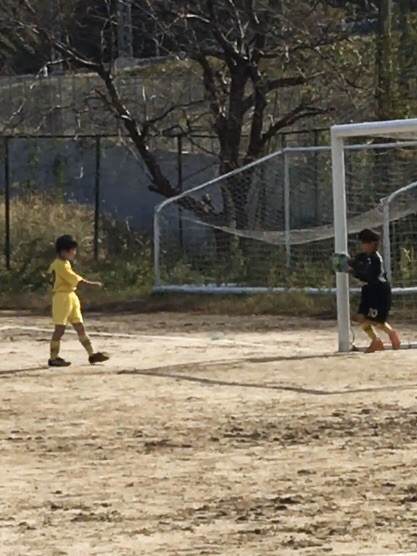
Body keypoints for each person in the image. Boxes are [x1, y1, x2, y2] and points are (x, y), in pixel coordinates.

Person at [47, 235, 110, 367]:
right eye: (72, 250)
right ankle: (53, 357)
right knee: (60, 328)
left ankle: (92, 354)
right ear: (64, 251)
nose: (74, 253)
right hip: (62, 297)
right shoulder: (59, 265)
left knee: (79, 326)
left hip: (70, 296)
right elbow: (75, 279)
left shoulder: (64, 263)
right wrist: (92, 284)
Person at [348, 228, 401, 353]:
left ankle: (391, 333)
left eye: (363, 243)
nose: (361, 245)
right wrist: (344, 262)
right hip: (368, 289)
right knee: (361, 317)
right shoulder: (363, 256)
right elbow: (354, 264)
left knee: (376, 320)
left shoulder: (376, 259)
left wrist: (353, 272)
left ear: (372, 244)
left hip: (379, 290)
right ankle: (376, 341)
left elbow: (369, 276)